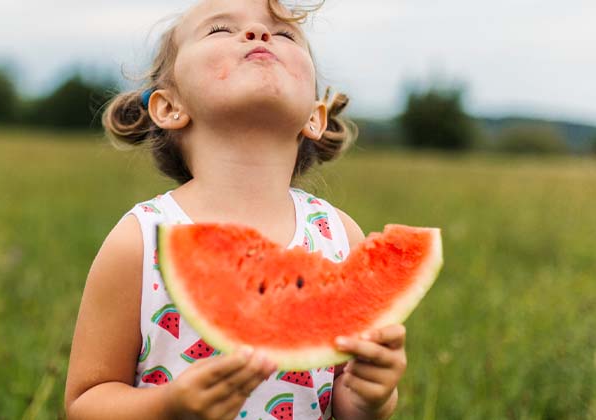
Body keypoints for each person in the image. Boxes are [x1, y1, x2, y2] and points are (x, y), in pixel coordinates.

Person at [66, 1, 408, 418]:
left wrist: (371, 395)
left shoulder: (339, 236)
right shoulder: (141, 240)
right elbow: (85, 401)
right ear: (169, 107)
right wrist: (167, 406)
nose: (259, 35)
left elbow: (343, 400)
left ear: (316, 117)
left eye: (284, 35)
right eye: (220, 30)